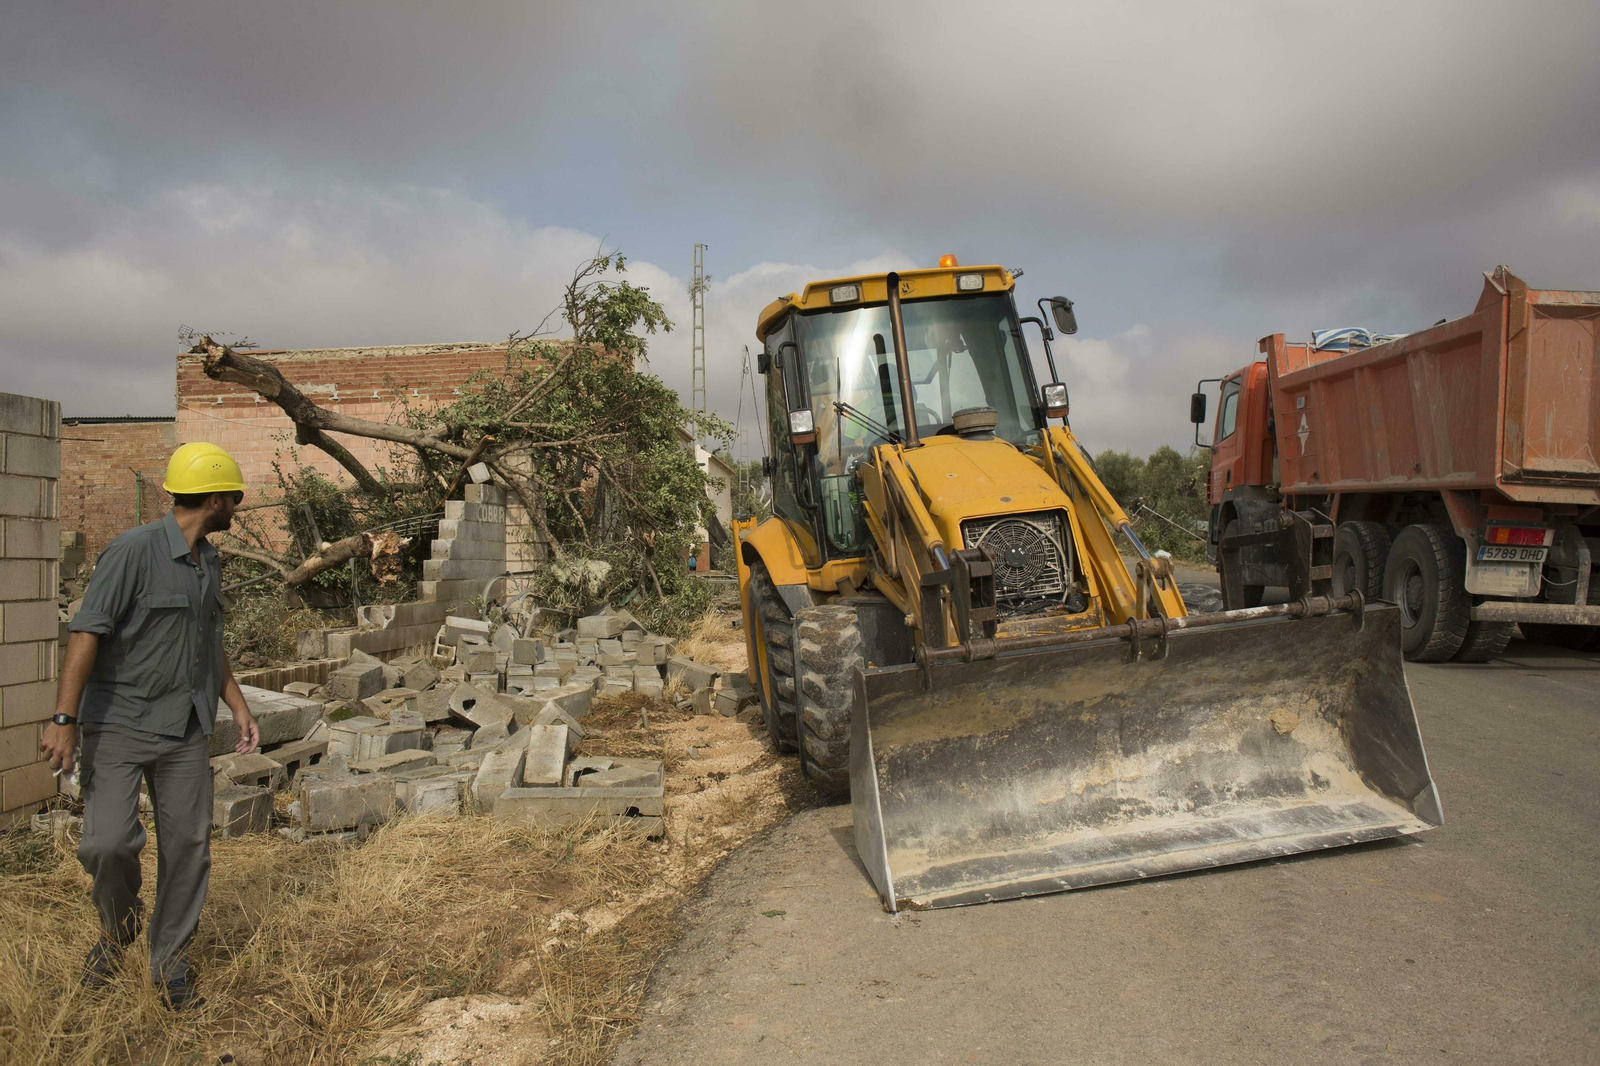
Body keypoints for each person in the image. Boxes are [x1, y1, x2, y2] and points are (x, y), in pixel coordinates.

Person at [39, 442, 260, 1010]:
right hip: (118, 723)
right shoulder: (132, 551)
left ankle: (169, 963)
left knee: (188, 846)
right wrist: (65, 719)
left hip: (185, 728)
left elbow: (208, 643)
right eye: (234, 497)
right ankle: (118, 930)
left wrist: (235, 704)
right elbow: (86, 632)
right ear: (215, 498)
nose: (237, 506)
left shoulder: (208, 560)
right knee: (107, 843)